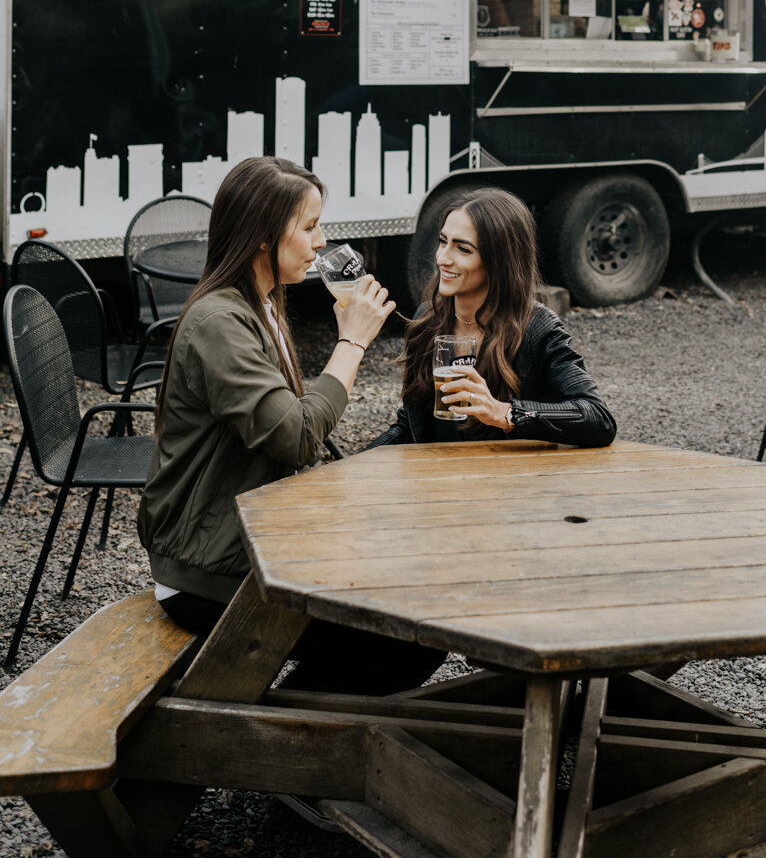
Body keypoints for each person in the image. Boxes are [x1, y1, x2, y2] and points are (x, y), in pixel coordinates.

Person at [137, 155, 445, 693]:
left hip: (252, 544)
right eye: (309, 227)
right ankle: (280, 727)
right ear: (261, 237)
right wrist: (351, 342)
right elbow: (295, 435)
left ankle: (294, 712)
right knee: (413, 633)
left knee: (407, 592)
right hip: (211, 577)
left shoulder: (262, 306)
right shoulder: (219, 322)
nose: (321, 242)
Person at [369, 187, 616, 447]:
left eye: (462, 249)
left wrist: (504, 413)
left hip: (511, 483)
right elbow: (411, 424)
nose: (442, 258)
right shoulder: (428, 319)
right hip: (438, 482)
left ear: (499, 261)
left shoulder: (536, 327)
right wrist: (356, 464)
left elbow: (598, 418)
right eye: (443, 242)